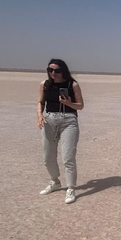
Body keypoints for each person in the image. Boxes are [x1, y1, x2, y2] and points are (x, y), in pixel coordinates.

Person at [37, 59, 84, 204]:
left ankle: (71, 188)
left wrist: (68, 103)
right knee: (48, 157)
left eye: (57, 70)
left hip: (68, 122)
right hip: (49, 121)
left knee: (68, 158)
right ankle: (55, 182)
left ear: (63, 70)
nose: (53, 73)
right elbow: (40, 101)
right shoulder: (44, 84)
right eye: (50, 70)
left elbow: (80, 106)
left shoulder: (72, 84)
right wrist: (39, 114)